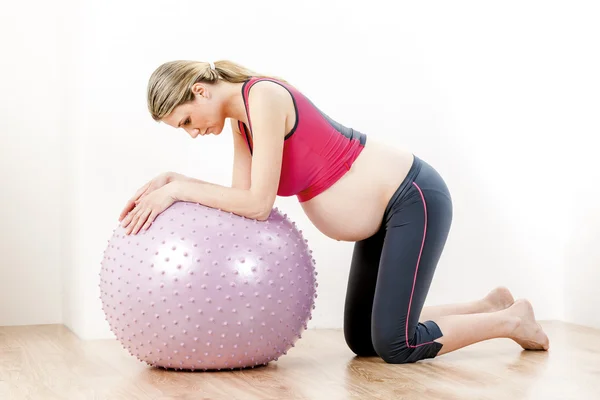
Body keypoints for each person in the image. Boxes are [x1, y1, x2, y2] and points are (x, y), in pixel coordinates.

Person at [118, 60, 549, 364]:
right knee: (364, 340)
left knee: (397, 346)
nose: (194, 133)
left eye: (188, 121)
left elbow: (257, 204)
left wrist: (180, 189)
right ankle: (487, 305)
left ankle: (511, 320)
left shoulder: (263, 96)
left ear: (199, 91)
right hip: (382, 216)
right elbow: (241, 198)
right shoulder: (241, 121)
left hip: (411, 197)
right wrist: (174, 180)